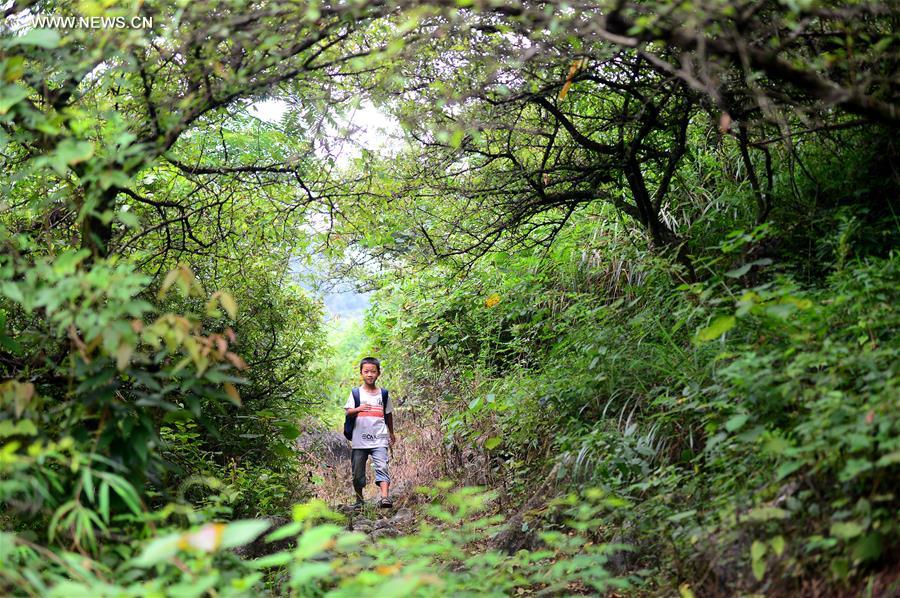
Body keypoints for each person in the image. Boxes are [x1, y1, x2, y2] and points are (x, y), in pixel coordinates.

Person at [344, 357, 396, 508]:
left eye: (373, 371)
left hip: (379, 439)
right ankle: (359, 500)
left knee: (382, 466)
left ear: (378, 373)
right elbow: (348, 412)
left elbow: (388, 414)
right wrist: (358, 409)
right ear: (361, 373)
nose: (369, 374)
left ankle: (385, 498)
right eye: (366, 371)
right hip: (359, 440)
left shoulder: (384, 394)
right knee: (357, 472)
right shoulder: (356, 394)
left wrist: (391, 432)